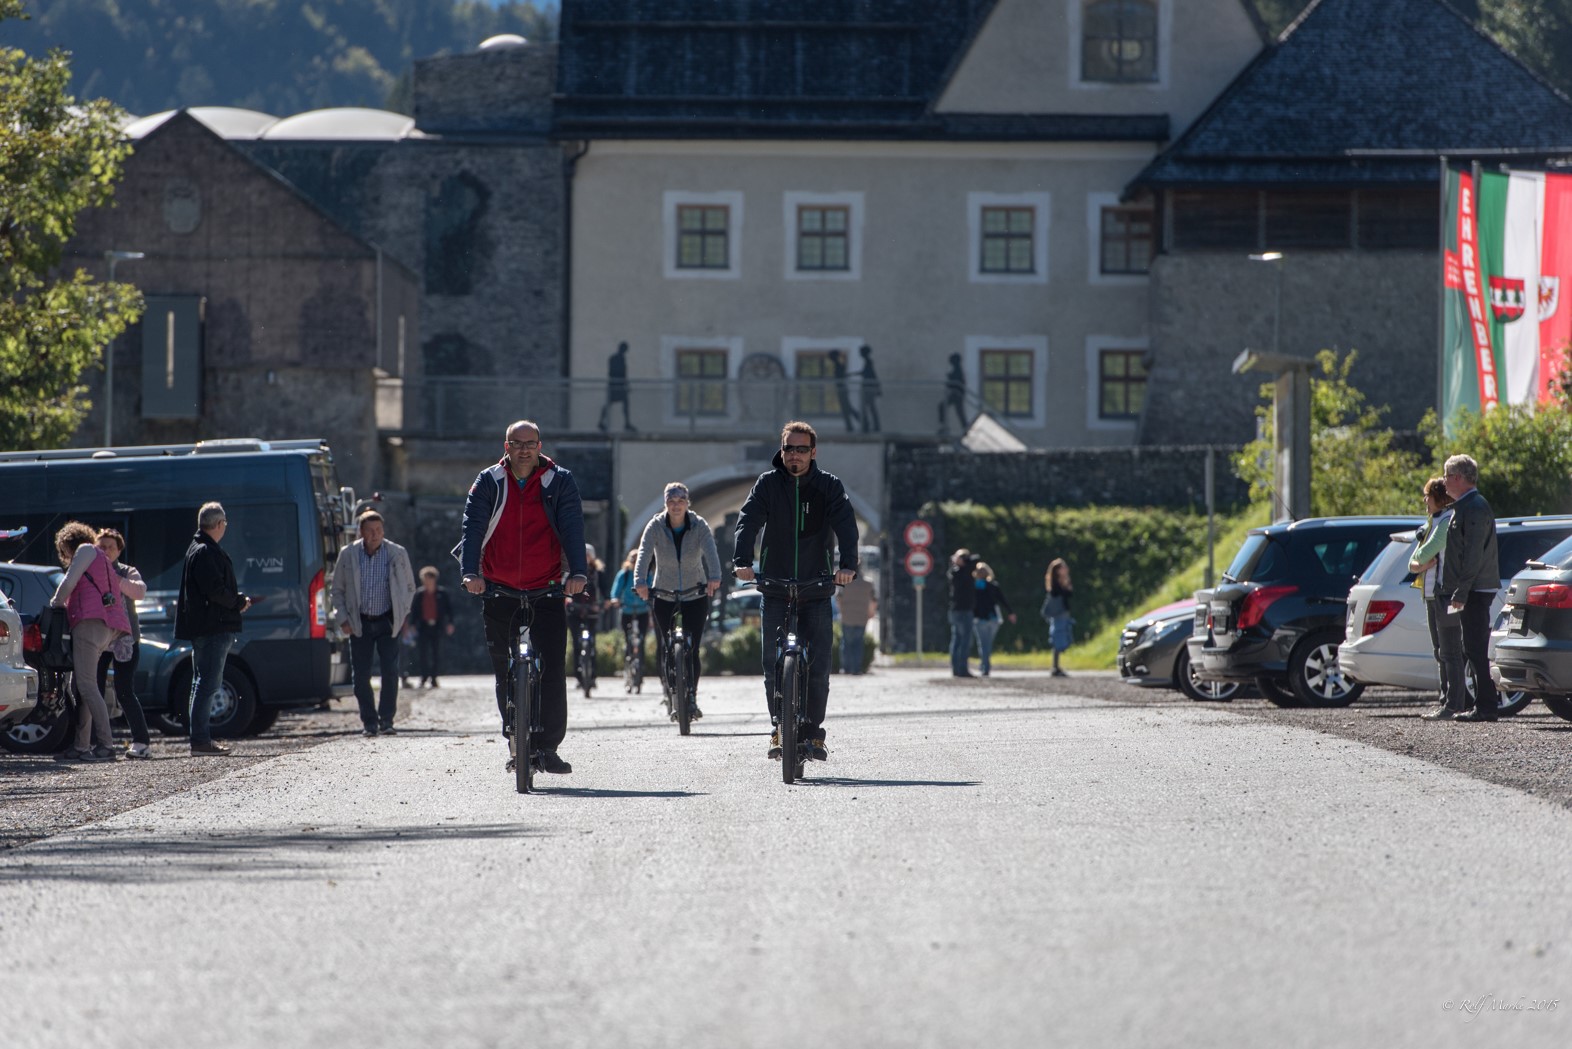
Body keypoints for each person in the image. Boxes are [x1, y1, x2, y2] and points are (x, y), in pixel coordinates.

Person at [454, 420, 588, 775]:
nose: (525, 449)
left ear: (540, 445)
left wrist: (578, 573)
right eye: (518, 443)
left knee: (554, 669)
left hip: (546, 587)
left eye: (531, 443)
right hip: (498, 587)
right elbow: (473, 526)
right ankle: (516, 740)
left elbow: (573, 526)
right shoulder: (489, 481)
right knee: (504, 669)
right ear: (507, 445)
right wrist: (471, 573)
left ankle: (547, 747)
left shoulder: (560, 480)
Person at [734, 421, 859, 760]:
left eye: (802, 449)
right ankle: (778, 729)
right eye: (789, 448)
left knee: (818, 667)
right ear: (782, 449)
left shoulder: (829, 486)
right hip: (774, 587)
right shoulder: (769, 484)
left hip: (816, 587)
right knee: (770, 663)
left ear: (813, 452)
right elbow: (748, 520)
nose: (795, 455)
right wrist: (742, 559)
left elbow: (846, 526)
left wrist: (848, 566)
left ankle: (814, 734)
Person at [48, 521, 134, 763]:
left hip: (89, 623)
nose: (65, 557)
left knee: (85, 685)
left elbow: (68, 583)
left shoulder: (85, 551)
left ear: (67, 544)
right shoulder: (100, 557)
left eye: (64, 551)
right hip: (106, 626)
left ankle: (106, 744)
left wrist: (54, 604)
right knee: (82, 685)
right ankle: (81, 745)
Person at [635, 482, 722, 718]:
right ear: (665, 504)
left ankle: (691, 695)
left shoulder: (699, 525)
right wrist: (640, 581)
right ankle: (673, 693)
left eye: (680, 501)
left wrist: (715, 577)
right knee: (669, 647)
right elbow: (643, 553)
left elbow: (710, 551)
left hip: (695, 592)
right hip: (663, 593)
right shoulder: (655, 526)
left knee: (691, 649)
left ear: (687, 503)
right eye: (671, 501)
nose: (676, 506)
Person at [174, 502, 253, 756]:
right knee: (208, 683)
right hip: (212, 627)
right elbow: (215, 591)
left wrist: (233, 599)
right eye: (225, 524)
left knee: (201, 683)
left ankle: (200, 739)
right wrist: (238, 602)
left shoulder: (198, 548)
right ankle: (200, 741)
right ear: (219, 524)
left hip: (205, 626)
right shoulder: (206, 551)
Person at [331, 510, 417, 736]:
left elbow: (409, 587)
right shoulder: (348, 554)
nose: (375, 535)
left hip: (388, 621)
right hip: (359, 623)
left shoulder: (397, 553)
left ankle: (387, 720)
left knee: (390, 672)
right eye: (370, 530)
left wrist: (402, 613)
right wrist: (342, 619)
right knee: (361, 676)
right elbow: (337, 590)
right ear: (361, 531)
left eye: (378, 530)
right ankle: (369, 723)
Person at [1439, 454, 1500, 723]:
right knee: (1471, 647)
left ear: (1458, 478)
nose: (1443, 481)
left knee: (1475, 648)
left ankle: (1487, 707)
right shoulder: (1465, 506)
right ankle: (1483, 704)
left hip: (1475, 589)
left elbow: (1473, 555)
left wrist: (1461, 592)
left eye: (1446, 476)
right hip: (1471, 588)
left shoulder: (1474, 507)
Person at [93, 529, 153, 758]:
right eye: (101, 546)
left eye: (110, 546)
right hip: (98, 638)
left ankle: (141, 742)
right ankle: (95, 742)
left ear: (119, 550)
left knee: (124, 690)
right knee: (92, 690)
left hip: (125, 638)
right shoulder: (90, 572)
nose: (105, 550)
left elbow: (139, 592)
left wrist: (113, 578)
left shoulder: (128, 571)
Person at [1410, 478, 1461, 720]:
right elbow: (1413, 563)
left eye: (1427, 496)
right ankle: (1445, 700)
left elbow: (1423, 553)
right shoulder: (1432, 523)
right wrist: (1420, 563)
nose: (1424, 501)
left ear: (1439, 498)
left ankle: (1453, 703)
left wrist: (1420, 561)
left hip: (1443, 594)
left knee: (1449, 651)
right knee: (1440, 651)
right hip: (1431, 595)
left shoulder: (1443, 523)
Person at [608, 548, 651, 683]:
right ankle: (628, 662)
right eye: (633, 558)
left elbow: (652, 587)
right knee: (628, 639)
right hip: (626, 610)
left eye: (638, 558)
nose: (635, 561)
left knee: (641, 640)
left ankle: (640, 670)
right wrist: (615, 599)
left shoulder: (647, 574)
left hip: (642, 610)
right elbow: (616, 589)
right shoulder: (624, 574)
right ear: (629, 560)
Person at [411, 566, 455, 689]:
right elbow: (414, 611)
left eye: (430, 579)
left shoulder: (442, 593)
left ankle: (434, 678)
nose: (427, 581)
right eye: (425, 579)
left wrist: (450, 623)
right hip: (423, 626)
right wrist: (413, 625)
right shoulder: (419, 594)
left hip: (437, 626)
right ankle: (424, 677)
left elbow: (449, 610)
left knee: (436, 653)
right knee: (423, 653)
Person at [568, 544, 604, 689]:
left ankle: (592, 676)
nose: (585, 557)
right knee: (577, 644)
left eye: (588, 555)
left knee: (592, 643)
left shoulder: (598, 572)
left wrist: (606, 600)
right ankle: (578, 676)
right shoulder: (572, 571)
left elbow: (605, 587)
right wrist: (568, 599)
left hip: (591, 610)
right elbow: (565, 585)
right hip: (575, 611)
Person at [971, 561, 1016, 677]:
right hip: (993, 619)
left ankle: (984, 665)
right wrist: (1010, 612)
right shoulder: (993, 586)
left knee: (982, 643)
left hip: (979, 619)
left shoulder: (973, 587)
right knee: (988, 643)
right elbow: (1003, 600)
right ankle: (985, 665)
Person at [947, 548, 980, 677]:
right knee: (963, 640)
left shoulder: (962, 570)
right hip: (962, 610)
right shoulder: (957, 572)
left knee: (957, 640)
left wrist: (960, 559)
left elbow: (977, 558)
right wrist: (959, 560)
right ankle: (961, 669)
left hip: (958, 610)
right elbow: (974, 560)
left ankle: (957, 669)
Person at [837, 571, 876, 674]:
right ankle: (857, 669)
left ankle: (846, 668)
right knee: (858, 644)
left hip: (847, 617)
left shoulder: (844, 583)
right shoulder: (868, 584)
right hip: (861, 617)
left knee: (846, 643)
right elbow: (874, 600)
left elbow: (838, 598)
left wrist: (842, 611)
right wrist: (871, 613)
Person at [1041, 558, 1074, 677]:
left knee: (1062, 639)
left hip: (1063, 614)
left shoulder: (1063, 581)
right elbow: (1057, 594)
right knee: (1058, 640)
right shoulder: (1055, 584)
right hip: (1058, 615)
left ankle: (1056, 666)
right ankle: (1055, 667)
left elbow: (1069, 594)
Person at [596, 340, 636, 433]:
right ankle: (601, 422)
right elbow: (614, 373)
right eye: (624, 349)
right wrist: (623, 383)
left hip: (618, 385)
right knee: (610, 404)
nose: (625, 351)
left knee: (624, 403)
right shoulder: (614, 358)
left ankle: (626, 423)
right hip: (615, 385)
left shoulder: (620, 358)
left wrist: (626, 384)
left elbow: (623, 374)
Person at [829, 348, 860, 433]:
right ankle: (851, 426)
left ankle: (860, 422)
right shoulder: (838, 364)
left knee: (847, 408)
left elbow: (841, 377)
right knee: (846, 408)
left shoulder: (839, 365)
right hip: (841, 389)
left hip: (842, 389)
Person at [938, 353, 968, 434]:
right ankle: (964, 428)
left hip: (957, 394)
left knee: (957, 411)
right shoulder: (957, 369)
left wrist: (949, 378)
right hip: (956, 394)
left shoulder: (958, 370)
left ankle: (944, 427)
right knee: (958, 412)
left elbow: (956, 382)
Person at [858, 344, 881, 434]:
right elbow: (867, 373)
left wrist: (877, 387)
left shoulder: (868, 362)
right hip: (869, 387)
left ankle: (869, 427)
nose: (859, 353)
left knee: (869, 408)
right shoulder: (868, 362)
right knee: (870, 408)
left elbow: (871, 375)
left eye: (861, 352)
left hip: (869, 388)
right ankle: (872, 426)